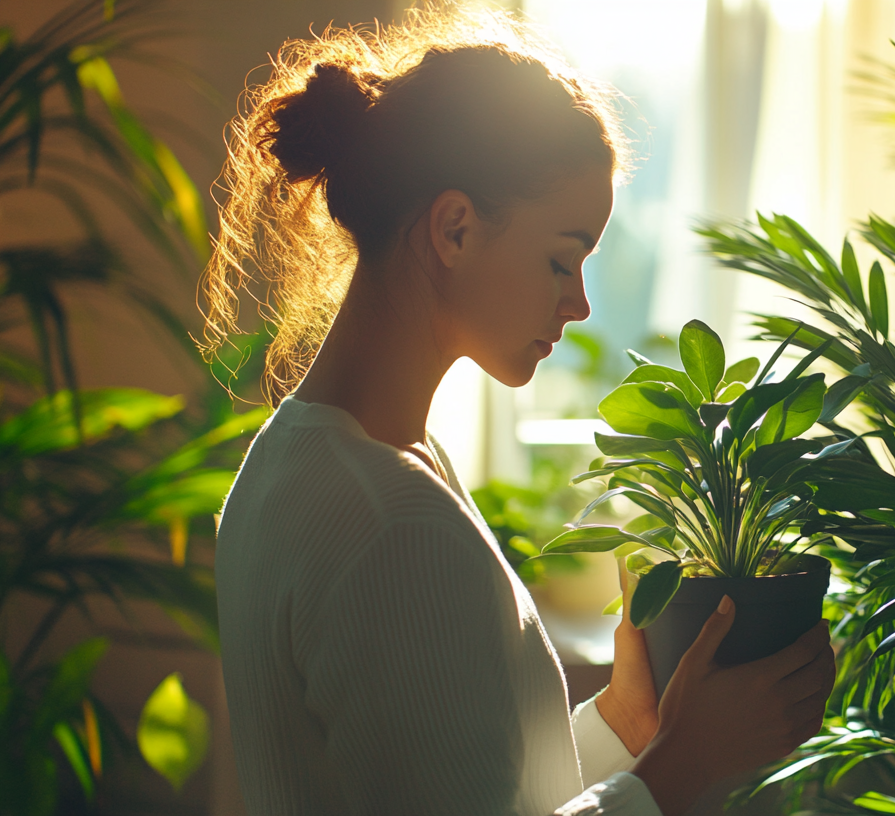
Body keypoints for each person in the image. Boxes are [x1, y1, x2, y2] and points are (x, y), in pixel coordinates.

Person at [201, 7, 836, 816]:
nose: (577, 304)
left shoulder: (305, 460)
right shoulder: (388, 523)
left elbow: (464, 778)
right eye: (561, 259)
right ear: (455, 229)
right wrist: (679, 770)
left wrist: (624, 724)